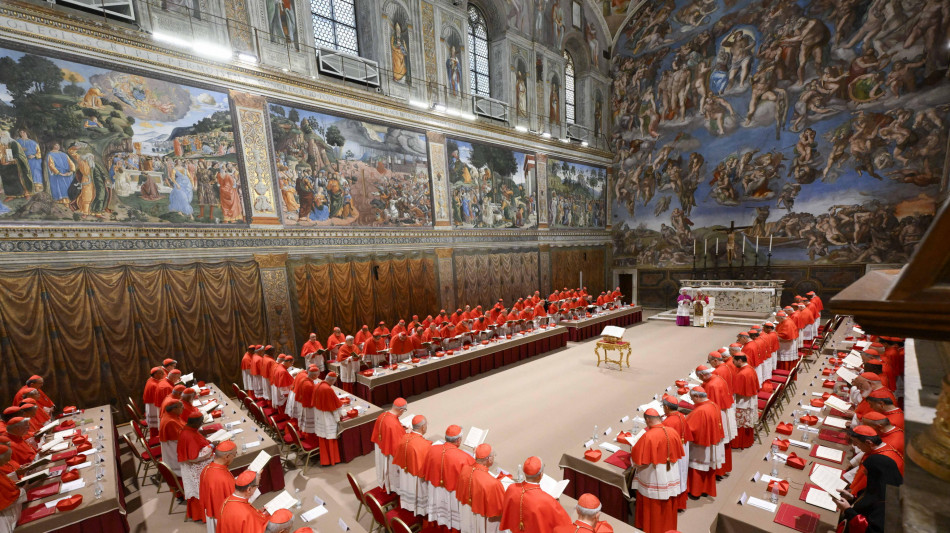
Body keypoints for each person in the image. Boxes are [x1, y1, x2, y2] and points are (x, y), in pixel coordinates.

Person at [631, 408, 684, 533]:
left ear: (648, 420)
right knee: (668, 503)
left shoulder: (648, 436)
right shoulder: (673, 432)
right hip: (670, 474)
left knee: (653, 506)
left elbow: (638, 461)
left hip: (654, 476)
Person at [835, 447, 903, 533]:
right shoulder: (882, 486)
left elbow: (870, 530)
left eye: (868, 473)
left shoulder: (888, 505)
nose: (863, 472)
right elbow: (868, 503)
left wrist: (847, 510)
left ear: (876, 475)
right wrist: (852, 498)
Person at [499, 456, 572, 532]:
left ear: (524, 472)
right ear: (541, 475)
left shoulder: (511, 488)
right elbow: (564, 523)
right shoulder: (548, 500)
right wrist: (556, 505)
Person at [424, 424, 474, 529]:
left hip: (435, 489)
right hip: (452, 494)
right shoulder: (465, 458)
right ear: (458, 440)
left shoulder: (432, 449)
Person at [684, 386, 724, 499]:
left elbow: (689, 428)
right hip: (710, 440)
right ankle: (705, 489)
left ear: (697, 396)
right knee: (707, 468)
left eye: (692, 398)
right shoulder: (713, 404)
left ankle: (696, 491)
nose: (692, 401)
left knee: (697, 467)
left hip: (700, 445)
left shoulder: (701, 410)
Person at [457, 443, 506, 533]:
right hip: (481, 517)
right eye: (493, 456)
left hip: (467, 513)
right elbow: (500, 508)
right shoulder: (493, 483)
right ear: (489, 459)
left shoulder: (465, 469)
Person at [844, 425, 904, 498]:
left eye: (856, 442)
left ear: (868, 443)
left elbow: (868, 484)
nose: (854, 445)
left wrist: (853, 495)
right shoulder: (877, 449)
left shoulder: (881, 460)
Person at [697, 365, 735, 477]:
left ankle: (718, 471)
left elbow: (709, 406)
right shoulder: (717, 378)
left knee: (717, 445)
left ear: (702, 374)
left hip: (717, 417)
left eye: (699, 377)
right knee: (723, 443)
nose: (700, 379)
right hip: (723, 412)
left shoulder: (711, 386)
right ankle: (724, 468)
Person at [394, 415, 432, 516]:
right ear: (423, 427)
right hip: (416, 478)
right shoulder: (424, 445)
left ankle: (407, 504)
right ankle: (419, 511)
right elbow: (427, 469)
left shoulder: (404, 437)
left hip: (404, 475)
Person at [179, 413, 213, 522]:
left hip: (191, 466)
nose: (201, 424)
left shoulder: (189, 429)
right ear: (195, 422)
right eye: (201, 422)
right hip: (194, 467)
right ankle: (202, 515)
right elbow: (195, 457)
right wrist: (211, 446)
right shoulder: (189, 435)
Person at [661, 394, 692, 512]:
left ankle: (675, 504)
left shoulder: (668, 422)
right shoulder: (681, 416)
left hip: (674, 454)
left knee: (674, 476)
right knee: (682, 474)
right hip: (683, 450)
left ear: (667, 407)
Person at [199, 440, 237, 532]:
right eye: (234, 454)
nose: (235, 457)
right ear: (227, 456)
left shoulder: (206, 469)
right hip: (224, 519)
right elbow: (236, 501)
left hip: (213, 513)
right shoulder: (223, 479)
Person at [372, 397, 408, 492]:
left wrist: (401, 427)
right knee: (391, 470)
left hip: (381, 446)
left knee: (383, 468)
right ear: (401, 410)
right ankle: (393, 488)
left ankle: (385, 483)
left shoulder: (382, 415)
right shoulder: (394, 425)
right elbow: (399, 445)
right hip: (390, 453)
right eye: (404, 411)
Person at [312, 372, 344, 466]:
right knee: (330, 437)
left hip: (319, 414)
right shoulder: (327, 389)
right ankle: (333, 459)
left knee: (323, 438)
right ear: (332, 380)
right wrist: (338, 418)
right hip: (327, 416)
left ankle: (325, 459)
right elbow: (333, 407)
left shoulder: (318, 385)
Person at [731, 354, 759, 449]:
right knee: (747, 422)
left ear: (739, 361)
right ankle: (748, 441)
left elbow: (737, 392)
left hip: (742, 402)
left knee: (740, 423)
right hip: (750, 400)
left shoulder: (742, 374)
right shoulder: (750, 368)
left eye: (734, 361)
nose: (733, 364)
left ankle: (739, 443)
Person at [0, 444, 25, 532]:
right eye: (6, 459)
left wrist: (14, 483)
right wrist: (21, 490)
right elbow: (6, 496)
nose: (8, 461)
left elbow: (6, 481)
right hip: (4, 515)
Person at [160, 401, 185, 476]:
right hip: (174, 452)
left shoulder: (170, 415)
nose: (183, 408)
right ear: (174, 409)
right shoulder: (170, 422)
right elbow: (181, 438)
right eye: (181, 406)